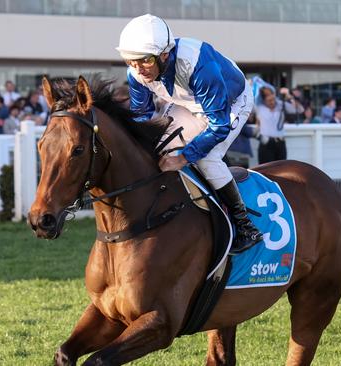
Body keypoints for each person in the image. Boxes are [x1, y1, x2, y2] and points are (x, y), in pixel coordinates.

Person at [117, 14, 262, 253]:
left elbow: (218, 126)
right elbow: (142, 118)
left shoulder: (198, 64)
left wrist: (183, 157)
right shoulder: (136, 73)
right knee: (158, 149)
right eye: (130, 61)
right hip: (188, 103)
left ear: (164, 54)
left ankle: (244, 225)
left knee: (206, 157)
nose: (137, 69)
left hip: (231, 103)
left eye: (144, 61)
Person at [256, 88, 288, 164]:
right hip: (266, 142)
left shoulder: (280, 105)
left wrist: (289, 96)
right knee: (266, 170)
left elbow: (300, 110)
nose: (272, 100)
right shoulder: (259, 107)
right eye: (267, 95)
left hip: (280, 142)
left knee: (282, 169)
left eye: (271, 94)